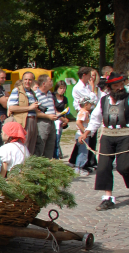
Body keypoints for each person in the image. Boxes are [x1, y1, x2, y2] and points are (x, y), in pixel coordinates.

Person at [79, 72, 129, 211]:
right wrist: (86, 133)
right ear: (110, 87)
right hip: (107, 136)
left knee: (123, 167)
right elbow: (95, 119)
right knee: (103, 167)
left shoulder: (128, 99)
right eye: (116, 85)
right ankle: (107, 198)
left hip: (125, 135)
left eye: (121, 85)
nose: (119, 88)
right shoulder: (104, 100)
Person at [8, 71, 40, 155]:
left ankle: (28, 166)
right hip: (23, 122)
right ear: (22, 80)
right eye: (25, 79)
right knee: (23, 145)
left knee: (31, 146)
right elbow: (12, 107)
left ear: (33, 81)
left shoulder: (32, 92)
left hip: (33, 121)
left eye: (30, 79)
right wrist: (29, 107)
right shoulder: (17, 90)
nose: (27, 81)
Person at [33, 74, 59, 159]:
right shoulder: (36, 95)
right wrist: (48, 116)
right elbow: (35, 112)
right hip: (42, 122)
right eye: (50, 81)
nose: (52, 83)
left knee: (50, 145)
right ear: (44, 83)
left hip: (52, 122)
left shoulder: (50, 94)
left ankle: (48, 165)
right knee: (41, 144)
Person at [72, 94, 96, 176]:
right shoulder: (83, 112)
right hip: (81, 136)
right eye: (90, 104)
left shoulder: (84, 112)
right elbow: (78, 122)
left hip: (82, 135)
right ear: (86, 104)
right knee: (83, 153)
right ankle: (79, 168)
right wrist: (84, 132)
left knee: (82, 152)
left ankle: (78, 168)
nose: (91, 105)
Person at [53, 80, 70, 159]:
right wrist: (61, 117)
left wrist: (65, 120)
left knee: (58, 139)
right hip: (54, 119)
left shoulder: (65, 99)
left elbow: (65, 110)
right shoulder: (53, 96)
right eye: (61, 88)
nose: (62, 90)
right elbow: (53, 109)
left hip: (61, 120)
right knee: (55, 139)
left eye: (64, 88)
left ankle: (58, 155)